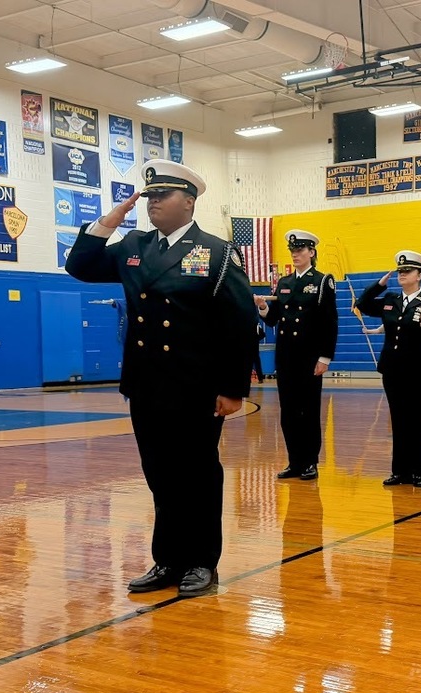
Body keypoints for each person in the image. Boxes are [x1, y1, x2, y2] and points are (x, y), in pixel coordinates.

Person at [65, 159, 257, 598]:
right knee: (160, 477)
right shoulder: (133, 245)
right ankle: (167, 560)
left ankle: (201, 562)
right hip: (146, 384)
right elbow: (79, 265)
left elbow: (240, 322)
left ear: (188, 202)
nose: (152, 203)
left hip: (196, 387)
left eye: (161, 196)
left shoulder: (217, 251)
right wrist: (111, 218)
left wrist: (232, 388)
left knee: (197, 475)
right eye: (148, 196)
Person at [255, 230, 338, 481]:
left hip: (309, 357)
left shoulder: (323, 281)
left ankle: (310, 462)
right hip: (287, 356)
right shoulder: (284, 282)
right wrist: (262, 307)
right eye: (293, 251)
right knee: (288, 411)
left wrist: (325, 357)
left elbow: (329, 322)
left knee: (309, 411)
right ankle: (295, 461)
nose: (296, 254)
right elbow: (274, 318)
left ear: (311, 252)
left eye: (300, 250)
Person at [356, 251, 421, 488]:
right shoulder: (390, 300)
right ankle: (400, 471)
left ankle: (418, 472)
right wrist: (379, 284)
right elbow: (361, 304)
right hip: (393, 370)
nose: (402, 275)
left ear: (419, 275)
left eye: (407, 271)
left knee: (420, 421)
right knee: (399, 420)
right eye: (400, 271)